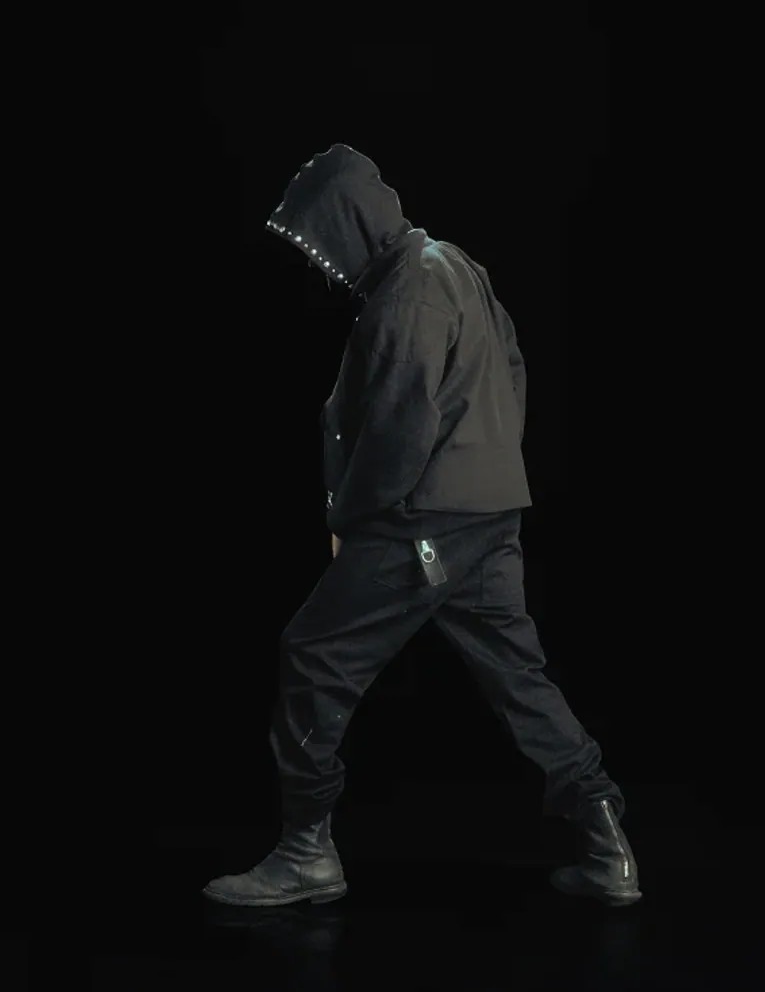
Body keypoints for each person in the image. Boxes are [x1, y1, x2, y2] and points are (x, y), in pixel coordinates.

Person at [202, 144, 642, 909]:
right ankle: (609, 846)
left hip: (420, 523)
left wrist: (349, 517)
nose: (318, 262)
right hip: (485, 517)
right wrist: (487, 467)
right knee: (519, 678)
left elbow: (399, 433)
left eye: (320, 241)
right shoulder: (457, 265)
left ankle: (306, 851)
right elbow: (512, 368)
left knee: (313, 656)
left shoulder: (410, 291)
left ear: (348, 222)